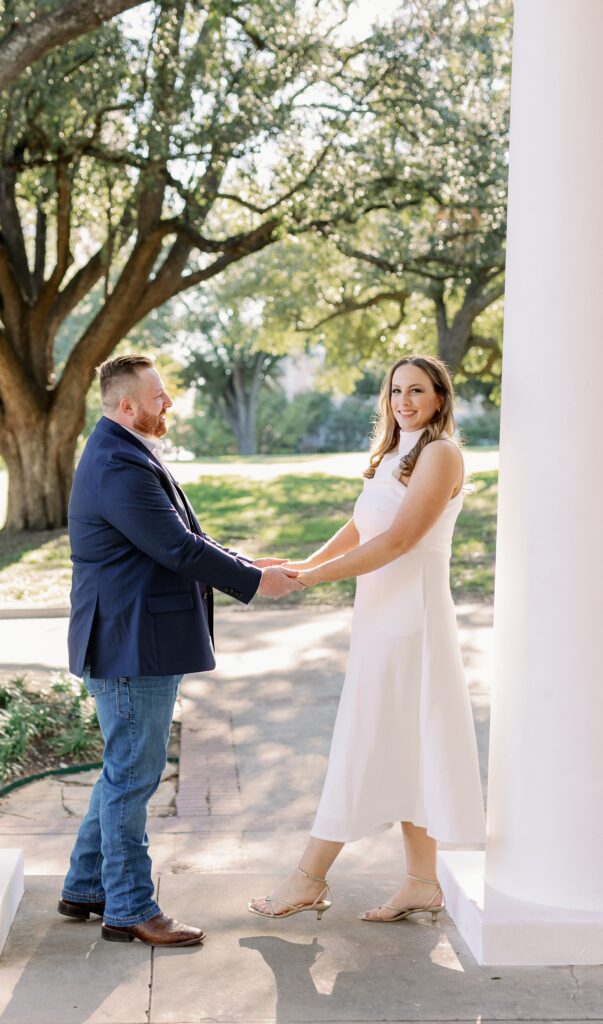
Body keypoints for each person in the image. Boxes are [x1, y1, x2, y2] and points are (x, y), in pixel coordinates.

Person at [58, 354, 301, 948]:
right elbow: (176, 548)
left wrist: (246, 564)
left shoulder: (125, 450)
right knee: (132, 780)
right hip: (131, 644)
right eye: (159, 395)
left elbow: (182, 537)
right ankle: (130, 909)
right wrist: (252, 583)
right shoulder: (118, 462)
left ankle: (87, 887)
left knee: (124, 770)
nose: (168, 403)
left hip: (134, 636)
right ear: (127, 406)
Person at [249, 355, 486, 924]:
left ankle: (308, 877)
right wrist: (304, 561)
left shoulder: (440, 453)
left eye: (418, 391)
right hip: (380, 618)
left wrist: (309, 579)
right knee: (407, 741)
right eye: (396, 390)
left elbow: (400, 541)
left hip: (414, 622)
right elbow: (363, 526)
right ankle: (423, 882)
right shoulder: (393, 456)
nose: (405, 400)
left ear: (439, 398)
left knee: (367, 739)